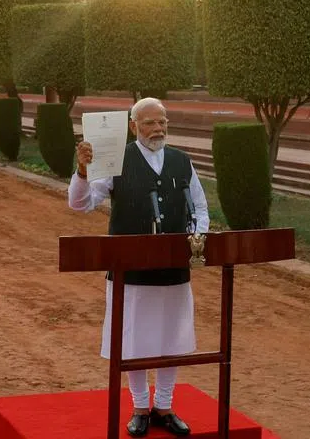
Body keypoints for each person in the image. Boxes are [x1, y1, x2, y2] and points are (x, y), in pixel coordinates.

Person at [69, 97, 210, 437]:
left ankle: (164, 405)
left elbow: (201, 207)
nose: (158, 129)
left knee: (170, 339)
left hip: (174, 269)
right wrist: (84, 171)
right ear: (133, 126)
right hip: (130, 271)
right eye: (149, 123)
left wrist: (198, 236)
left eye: (162, 122)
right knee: (135, 340)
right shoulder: (116, 158)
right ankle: (140, 407)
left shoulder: (181, 161)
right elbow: (81, 203)